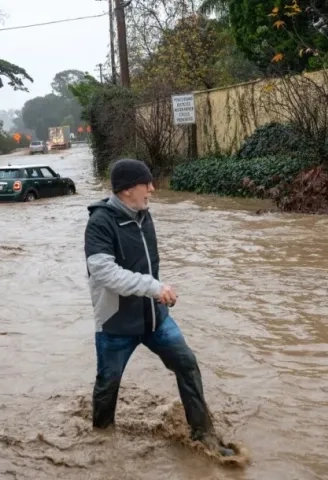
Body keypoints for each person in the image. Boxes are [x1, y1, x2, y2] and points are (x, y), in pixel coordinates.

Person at [83, 158, 234, 457]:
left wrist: (161, 291)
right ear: (127, 189)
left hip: (155, 318)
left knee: (187, 365)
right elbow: (103, 272)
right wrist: (154, 287)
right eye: (146, 183)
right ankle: (101, 444)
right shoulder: (100, 223)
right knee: (108, 384)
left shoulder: (143, 214)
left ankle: (204, 436)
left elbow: (147, 264)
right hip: (116, 324)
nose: (152, 188)